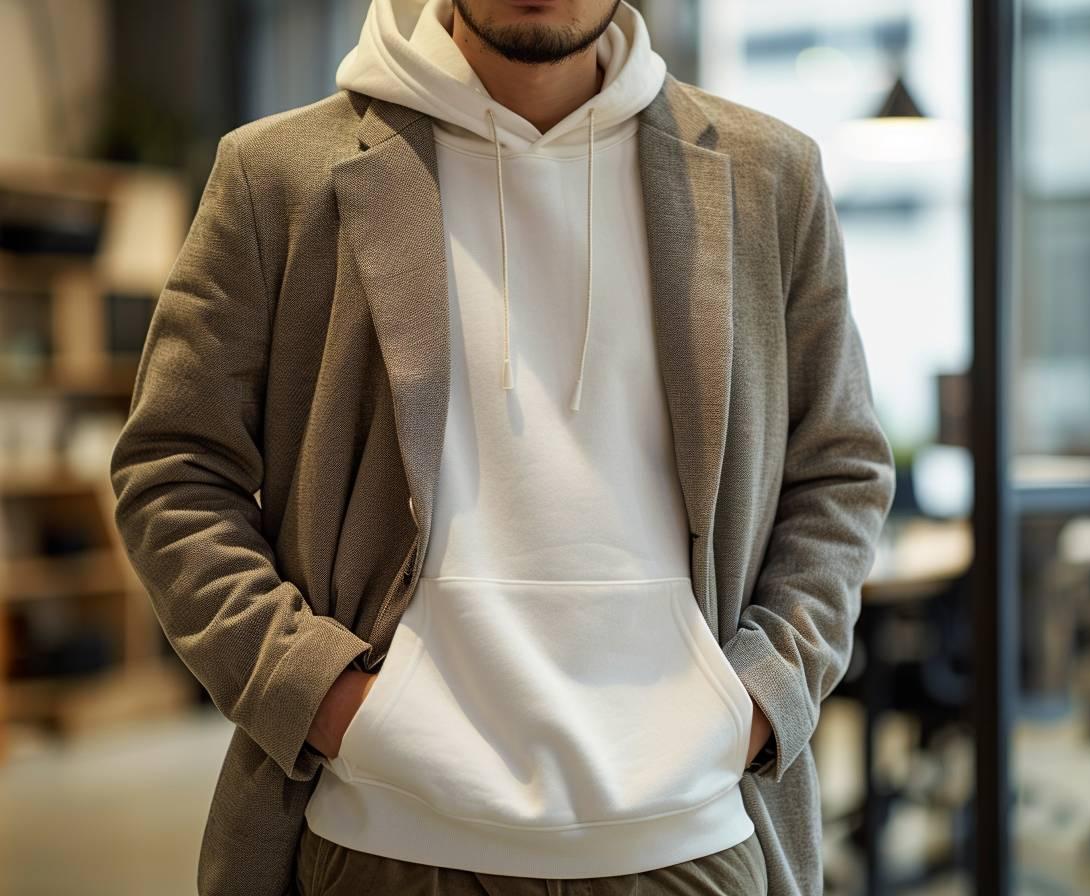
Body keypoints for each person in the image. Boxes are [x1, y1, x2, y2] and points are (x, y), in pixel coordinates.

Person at [107, 0, 896, 893]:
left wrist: (759, 697)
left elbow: (842, 468)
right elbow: (173, 470)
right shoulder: (275, 174)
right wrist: (321, 699)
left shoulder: (769, 176)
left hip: (692, 840)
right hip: (383, 836)